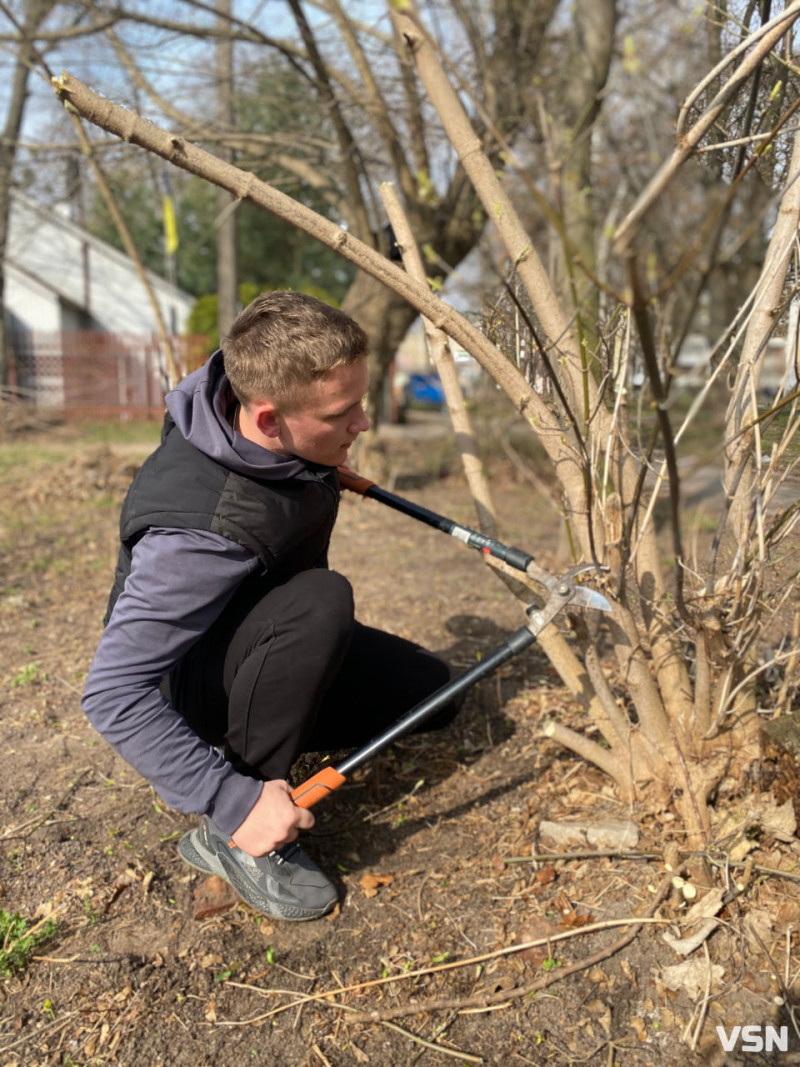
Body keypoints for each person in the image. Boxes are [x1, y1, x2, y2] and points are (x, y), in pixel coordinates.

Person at [82, 290, 459, 922]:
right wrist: (229, 797)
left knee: (436, 697)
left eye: (361, 402)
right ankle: (241, 828)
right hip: (198, 685)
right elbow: (112, 693)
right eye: (344, 413)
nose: (362, 424)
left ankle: (280, 716)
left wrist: (314, 466)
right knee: (321, 600)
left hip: (260, 639)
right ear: (266, 422)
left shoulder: (242, 391)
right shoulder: (194, 537)